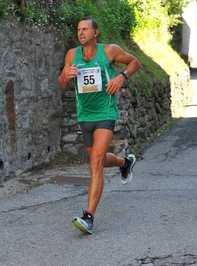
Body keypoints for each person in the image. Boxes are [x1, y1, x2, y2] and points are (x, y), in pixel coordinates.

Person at [57, 17, 141, 234]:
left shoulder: (110, 51)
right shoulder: (71, 55)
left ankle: (89, 217)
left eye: (85, 29)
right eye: (78, 29)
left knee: (94, 163)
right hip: (84, 115)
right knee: (100, 160)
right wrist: (65, 76)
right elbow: (61, 82)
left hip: (105, 113)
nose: (81, 32)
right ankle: (124, 163)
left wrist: (121, 77)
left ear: (95, 32)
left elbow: (135, 62)